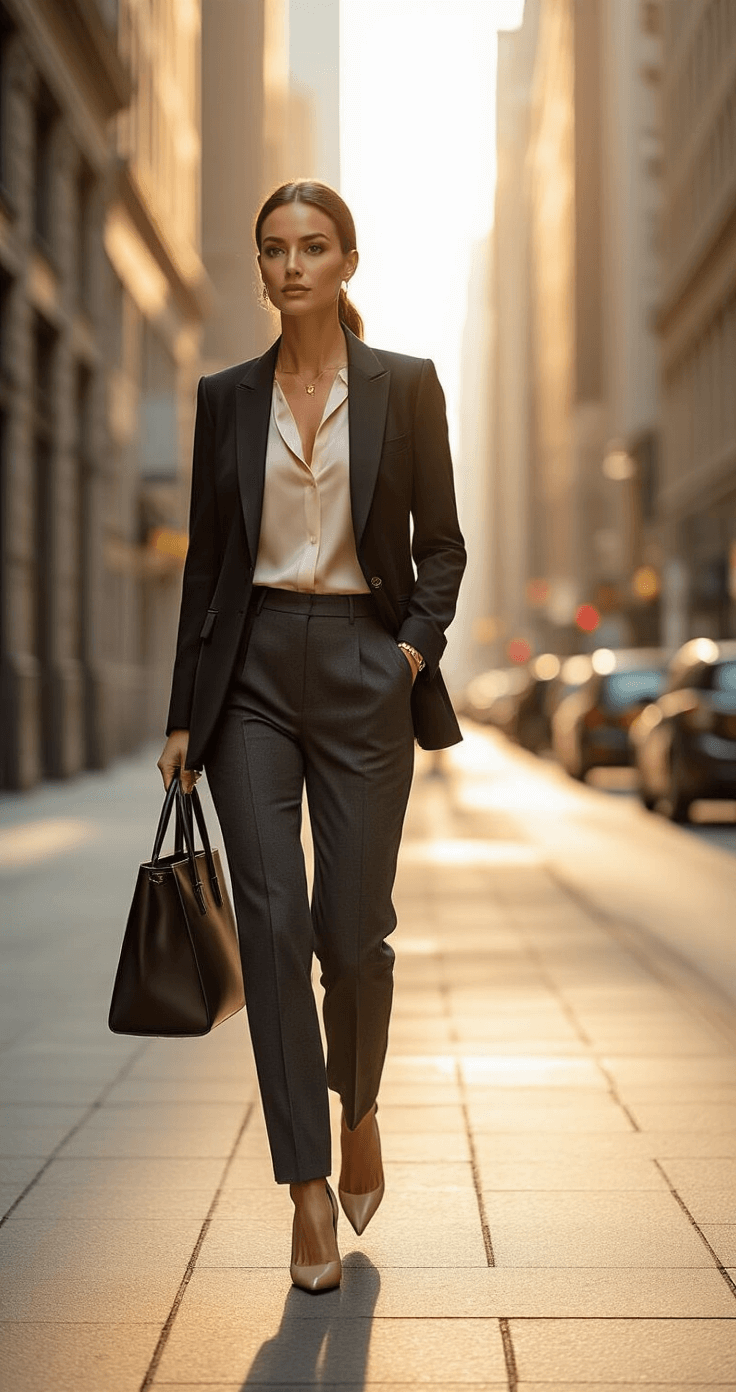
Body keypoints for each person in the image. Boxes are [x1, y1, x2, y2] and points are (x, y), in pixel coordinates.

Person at [157, 181, 466, 1292]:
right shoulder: (226, 397)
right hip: (249, 677)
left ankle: (360, 1104)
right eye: (276, 249)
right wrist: (184, 712)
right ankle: (305, 1189)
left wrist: (409, 656)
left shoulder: (406, 386)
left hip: (361, 664)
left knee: (354, 934)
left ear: (347, 262)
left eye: (314, 247)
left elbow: (443, 546)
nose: (293, 265)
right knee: (275, 926)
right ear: (262, 267)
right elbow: (207, 566)